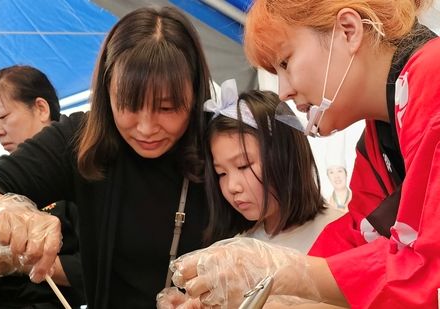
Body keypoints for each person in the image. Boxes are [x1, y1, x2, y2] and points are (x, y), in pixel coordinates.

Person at [164, 0, 440, 308]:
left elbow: (427, 269)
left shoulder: (433, 80)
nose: (283, 92)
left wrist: (282, 272)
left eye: (285, 62)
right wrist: (256, 288)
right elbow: (359, 238)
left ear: (348, 31)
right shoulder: (379, 133)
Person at [0, 6, 212, 309]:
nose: (146, 128)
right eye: (128, 105)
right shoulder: (81, 138)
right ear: (106, 93)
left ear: (195, 95)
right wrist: (3, 213)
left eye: (167, 108)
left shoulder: (221, 145)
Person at [0, 65, 86, 308]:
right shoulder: (2, 181)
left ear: (41, 108)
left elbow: (93, 269)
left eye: (3, 116)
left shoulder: (80, 167)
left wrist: (18, 262)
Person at [202, 80, 341, 252]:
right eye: (221, 173)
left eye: (243, 165)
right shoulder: (236, 250)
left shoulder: (341, 233)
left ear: (285, 156)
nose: (232, 187)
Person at [324, 133, 351, 212]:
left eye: (339, 171)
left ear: (346, 173)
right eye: (331, 172)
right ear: (328, 176)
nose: (336, 176)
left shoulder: (357, 200)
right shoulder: (325, 205)